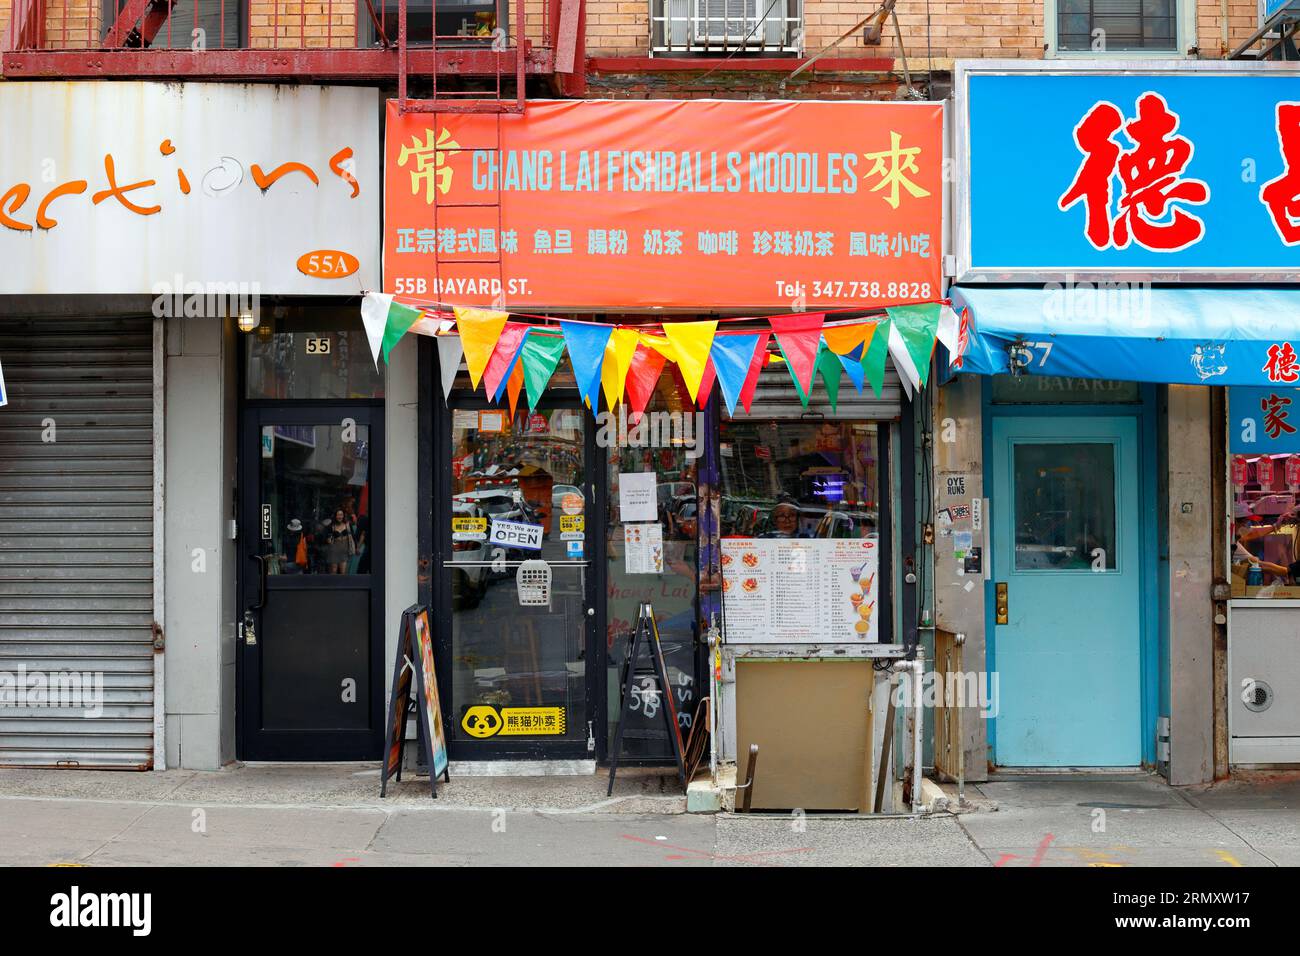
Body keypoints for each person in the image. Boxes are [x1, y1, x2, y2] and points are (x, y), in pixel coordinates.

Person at [323, 509, 355, 575]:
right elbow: (325, 537)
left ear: (343, 516)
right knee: (333, 572)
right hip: (334, 551)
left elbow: (353, 537)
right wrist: (328, 539)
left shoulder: (348, 525)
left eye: (341, 515)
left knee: (343, 572)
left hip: (344, 551)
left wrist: (355, 547)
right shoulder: (331, 526)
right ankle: (333, 585)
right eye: (338, 515)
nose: (340, 517)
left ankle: (342, 585)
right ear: (335, 516)